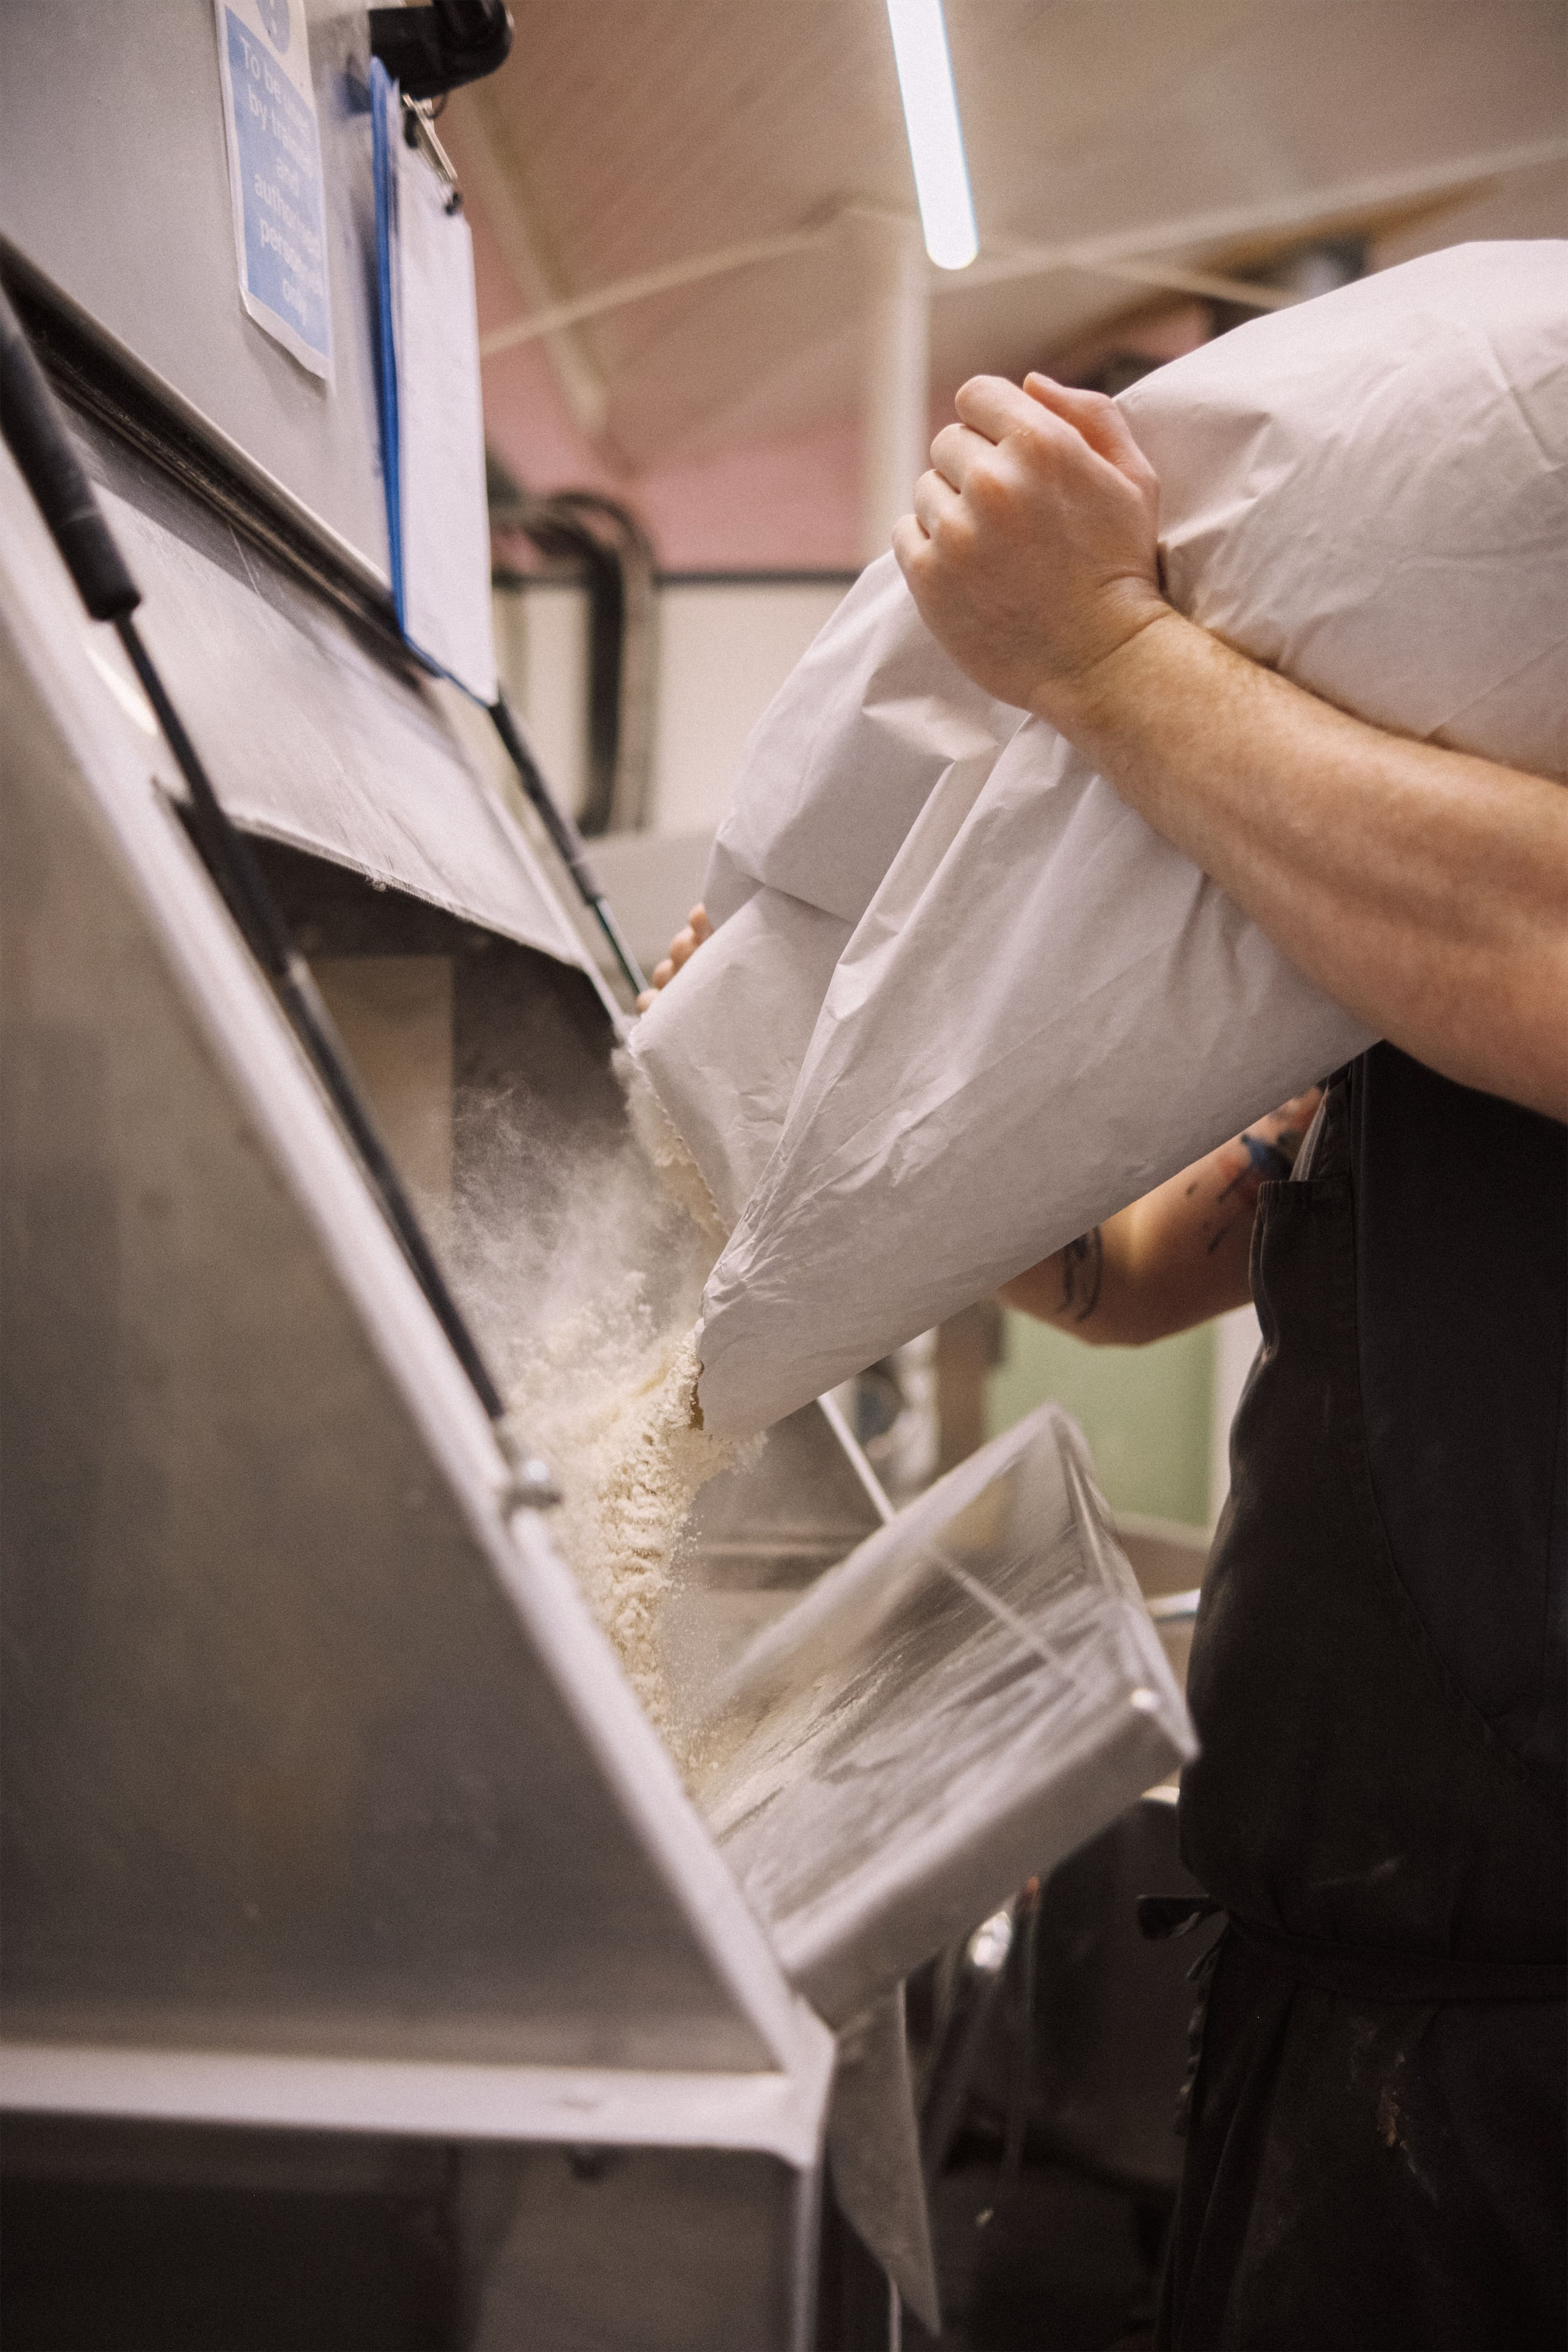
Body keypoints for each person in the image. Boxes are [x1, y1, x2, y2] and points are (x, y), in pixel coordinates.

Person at [643, 363, 1566, 2347]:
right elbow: (1130, 1267)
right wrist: (827, 1115)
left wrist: (1098, 649)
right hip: (1340, 1990)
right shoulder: (1384, 964)